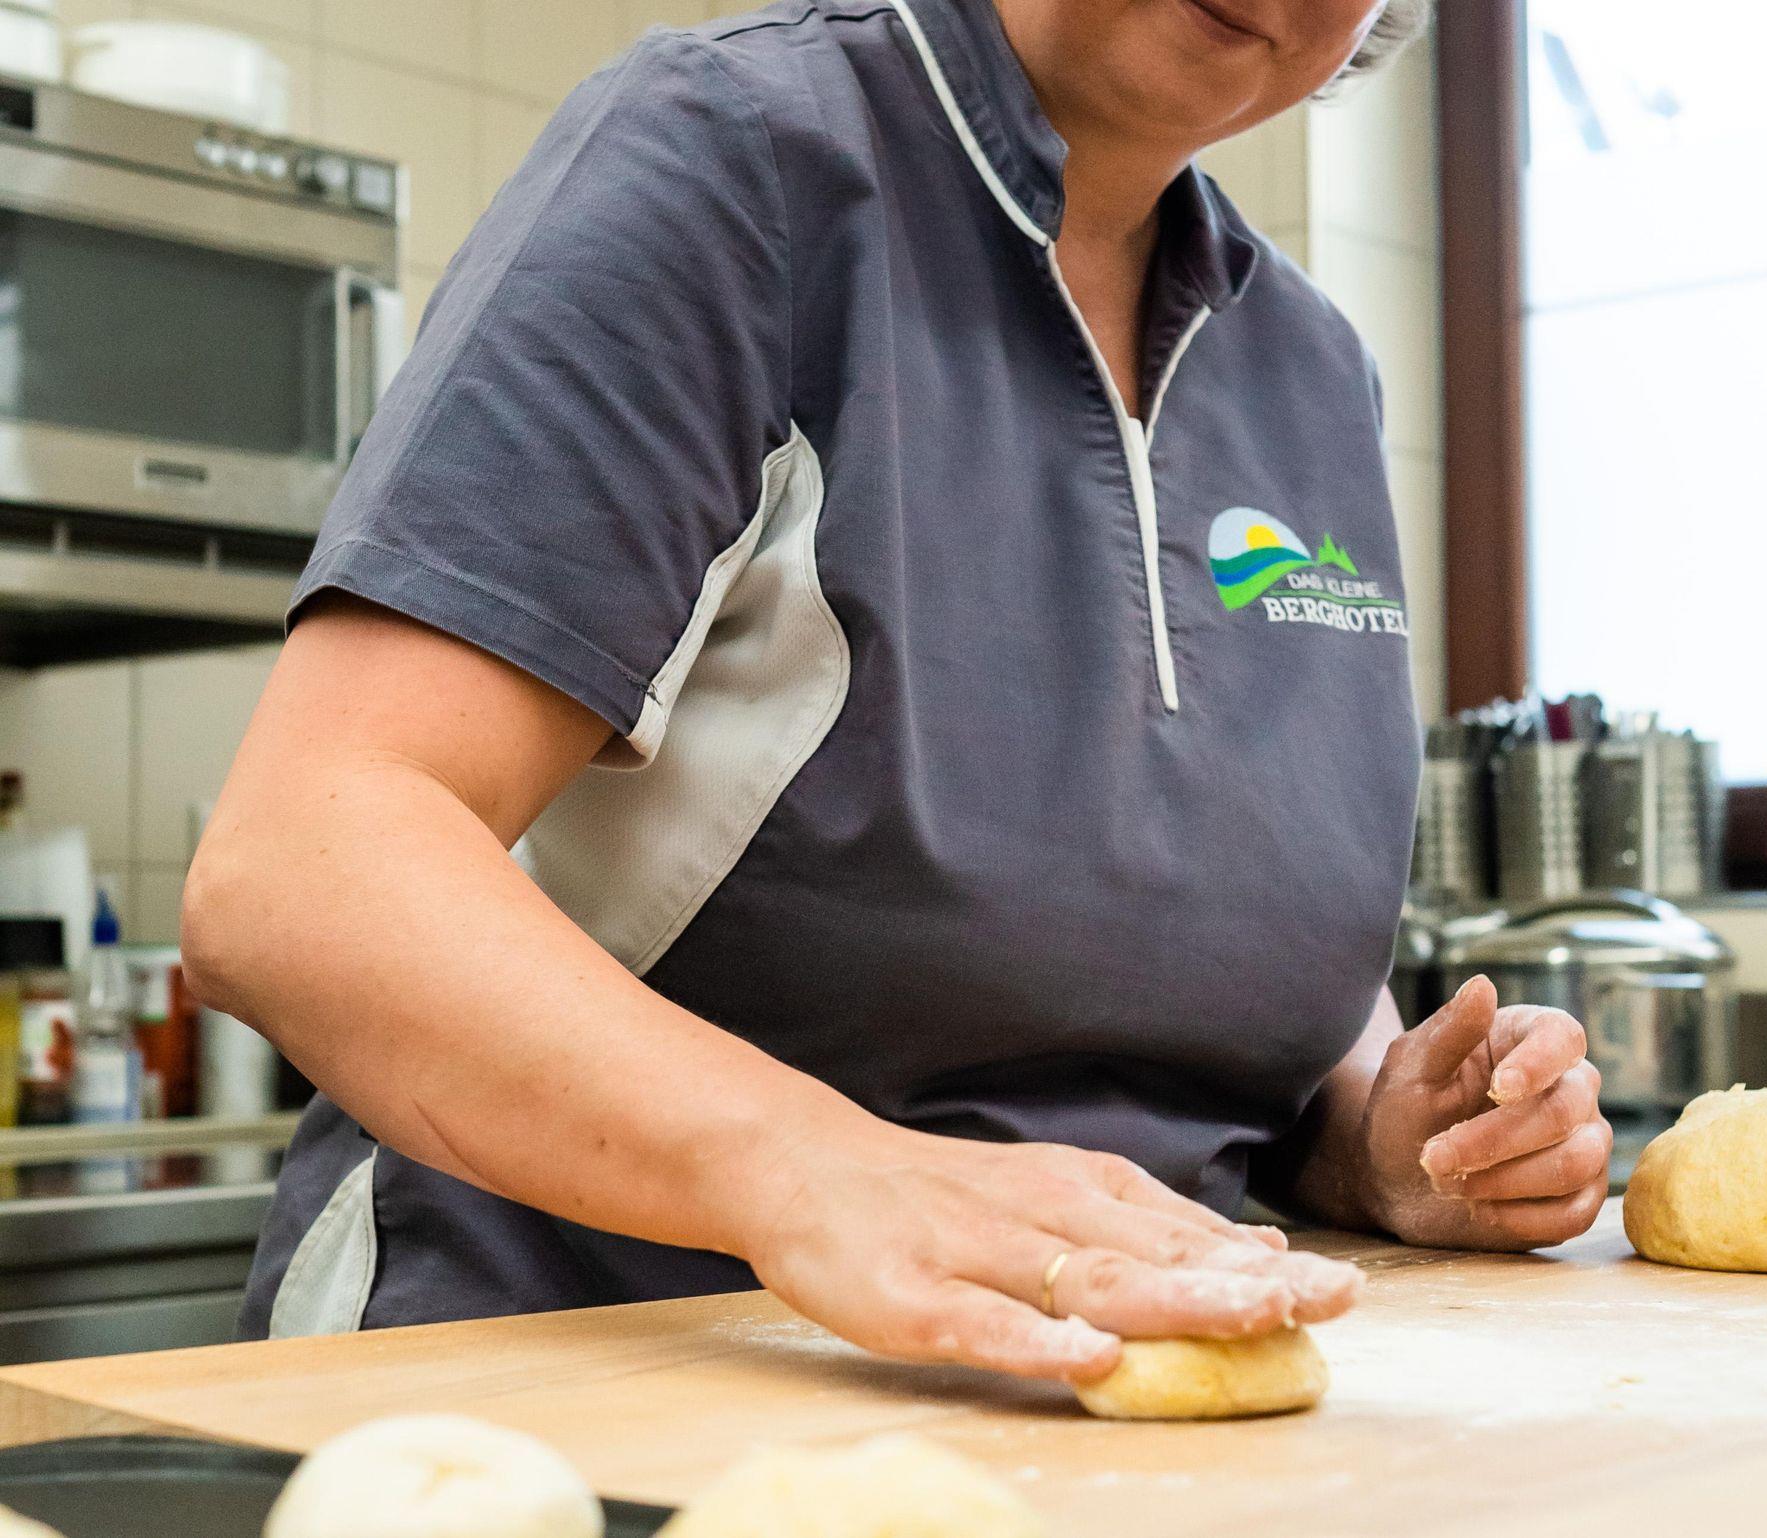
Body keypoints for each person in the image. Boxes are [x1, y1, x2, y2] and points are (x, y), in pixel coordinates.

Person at [185, 0, 1609, 1384]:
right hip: (573, 1374)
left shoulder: (1313, 369)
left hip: (1102, 1417)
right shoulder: (737, 164)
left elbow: (1186, 922)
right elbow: (300, 870)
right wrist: (818, 1169)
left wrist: (1372, 1136)